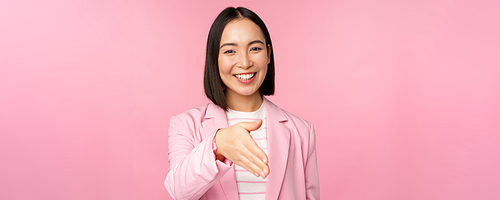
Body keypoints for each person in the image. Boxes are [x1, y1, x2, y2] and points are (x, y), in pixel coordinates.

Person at [164, 7, 319, 200]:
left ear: (268, 54)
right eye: (230, 51)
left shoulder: (302, 132)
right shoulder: (185, 124)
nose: (245, 62)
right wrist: (217, 145)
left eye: (255, 48)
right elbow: (178, 191)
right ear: (215, 58)